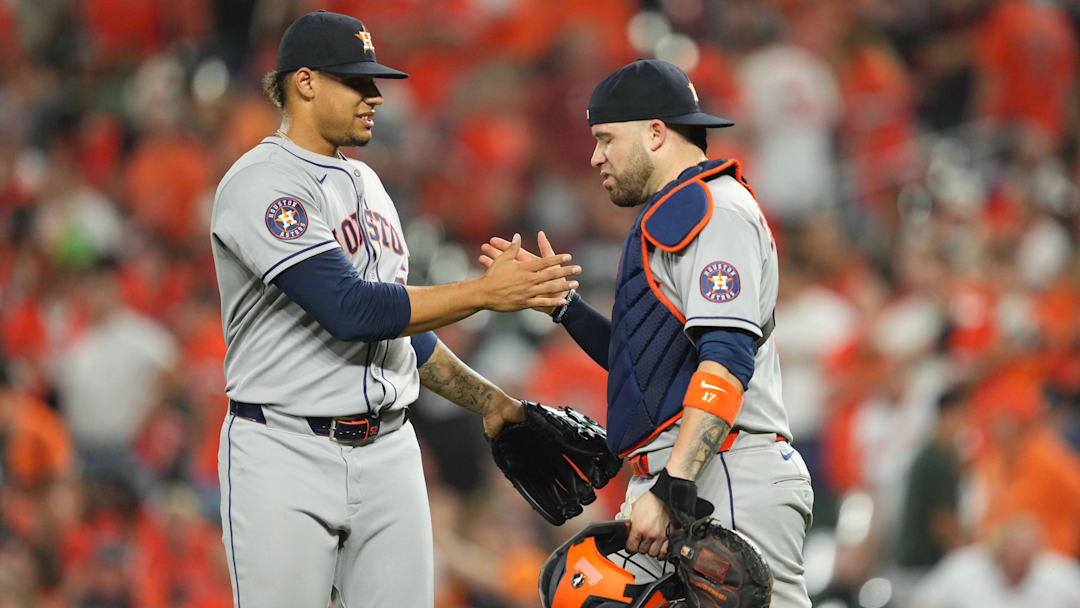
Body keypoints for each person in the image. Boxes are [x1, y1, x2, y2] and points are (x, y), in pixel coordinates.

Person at [209, 11, 580, 608]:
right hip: (284, 450)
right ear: (304, 82)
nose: (375, 96)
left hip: (390, 451)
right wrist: (485, 292)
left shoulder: (370, 185)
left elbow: (399, 330)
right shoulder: (261, 182)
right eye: (357, 82)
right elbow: (350, 309)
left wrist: (494, 405)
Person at [482, 59, 813, 606]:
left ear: (656, 132)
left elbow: (726, 359)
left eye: (607, 139)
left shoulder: (712, 209)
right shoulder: (677, 211)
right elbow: (647, 367)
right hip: (688, 473)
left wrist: (673, 486)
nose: (595, 156)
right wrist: (564, 307)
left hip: (722, 474)